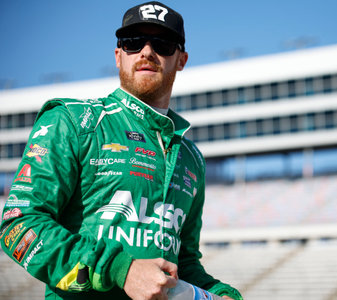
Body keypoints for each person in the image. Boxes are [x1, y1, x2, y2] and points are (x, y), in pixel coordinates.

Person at [0, 2, 243, 300]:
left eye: (163, 44)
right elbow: (18, 222)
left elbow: (185, 264)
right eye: (133, 42)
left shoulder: (191, 158)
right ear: (118, 56)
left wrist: (221, 294)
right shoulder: (74, 121)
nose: (146, 52)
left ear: (181, 60)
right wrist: (120, 269)